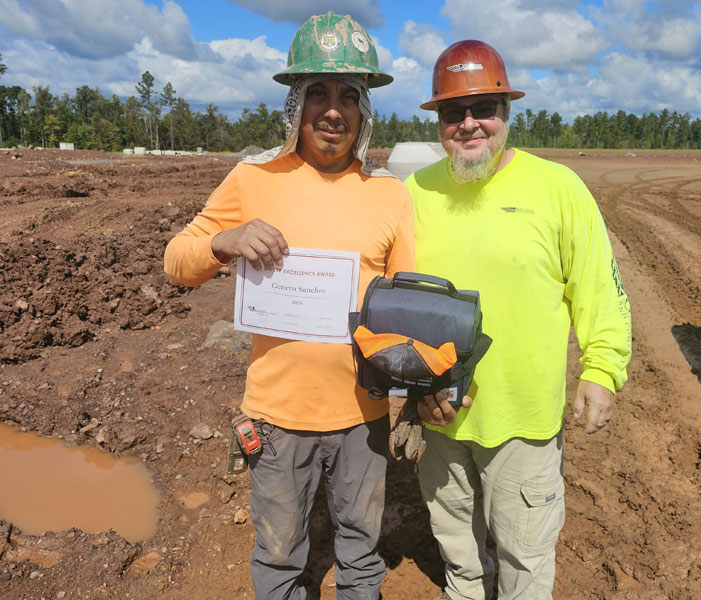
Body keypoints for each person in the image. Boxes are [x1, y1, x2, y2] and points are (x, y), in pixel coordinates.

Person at [164, 12, 414, 600]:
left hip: (362, 416)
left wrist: (420, 390)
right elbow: (176, 261)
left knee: (360, 555)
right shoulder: (253, 179)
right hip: (276, 421)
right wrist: (222, 243)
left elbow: (404, 304)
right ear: (295, 104)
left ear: (364, 110)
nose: (333, 109)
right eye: (317, 93)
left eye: (348, 95)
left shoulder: (389, 194)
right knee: (278, 560)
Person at [405, 40, 632, 600]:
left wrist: (602, 369)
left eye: (484, 108)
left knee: (524, 562)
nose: (469, 124)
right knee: (458, 553)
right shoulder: (413, 193)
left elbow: (599, 287)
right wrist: (412, 389)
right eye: (454, 112)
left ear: (507, 111)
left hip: (525, 421)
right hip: (440, 416)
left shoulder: (558, 189)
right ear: (438, 119)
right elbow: (394, 300)